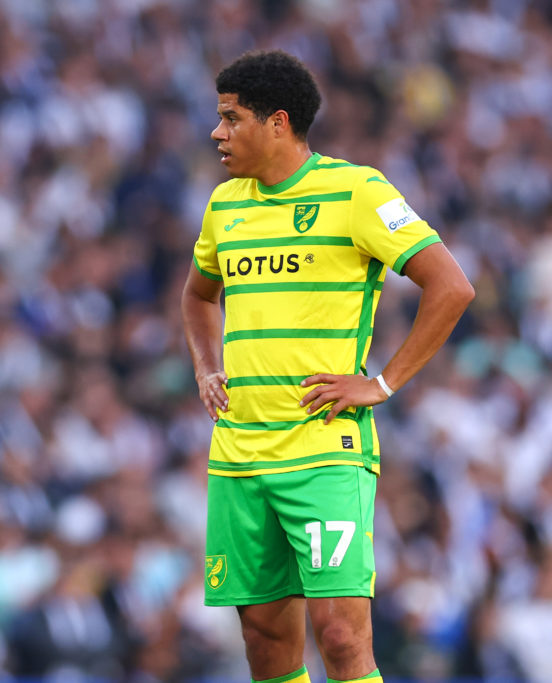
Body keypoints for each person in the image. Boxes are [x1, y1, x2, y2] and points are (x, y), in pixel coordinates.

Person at [180, 50, 474, 683]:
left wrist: (382, 382)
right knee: (264, 644)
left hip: (324, 451)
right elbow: (198, 295)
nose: (217, 133)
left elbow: (451, 287)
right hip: (239, 451)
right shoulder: (225, 205)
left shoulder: (356, 191)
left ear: (277, 122)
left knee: (341, 638)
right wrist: (206, 366)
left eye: (231, 118)